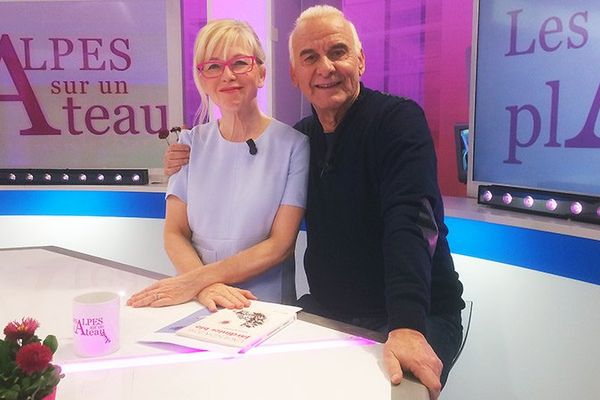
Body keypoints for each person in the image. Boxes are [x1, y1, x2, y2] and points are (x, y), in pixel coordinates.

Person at [162, 6, 464, 399]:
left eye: (338, 52)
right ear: (294, 74)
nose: (325, 67)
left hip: (415, 311)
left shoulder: (397, 120)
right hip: (330, 310)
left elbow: (411, 220)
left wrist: (406, 324)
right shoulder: (302, 138)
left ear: (360, 60)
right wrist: (179, 159)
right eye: (309, 57)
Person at [127, 19, 309, 311]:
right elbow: (175, 232)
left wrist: (195, 281)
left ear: (261, 73)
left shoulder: (294, 146)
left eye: (239, 63)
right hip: (198, 302)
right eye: (213, 66)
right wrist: (205, 287)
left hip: (263, 304)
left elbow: (280, 244)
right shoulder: (189, 144)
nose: (227, 75)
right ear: (202, 79)